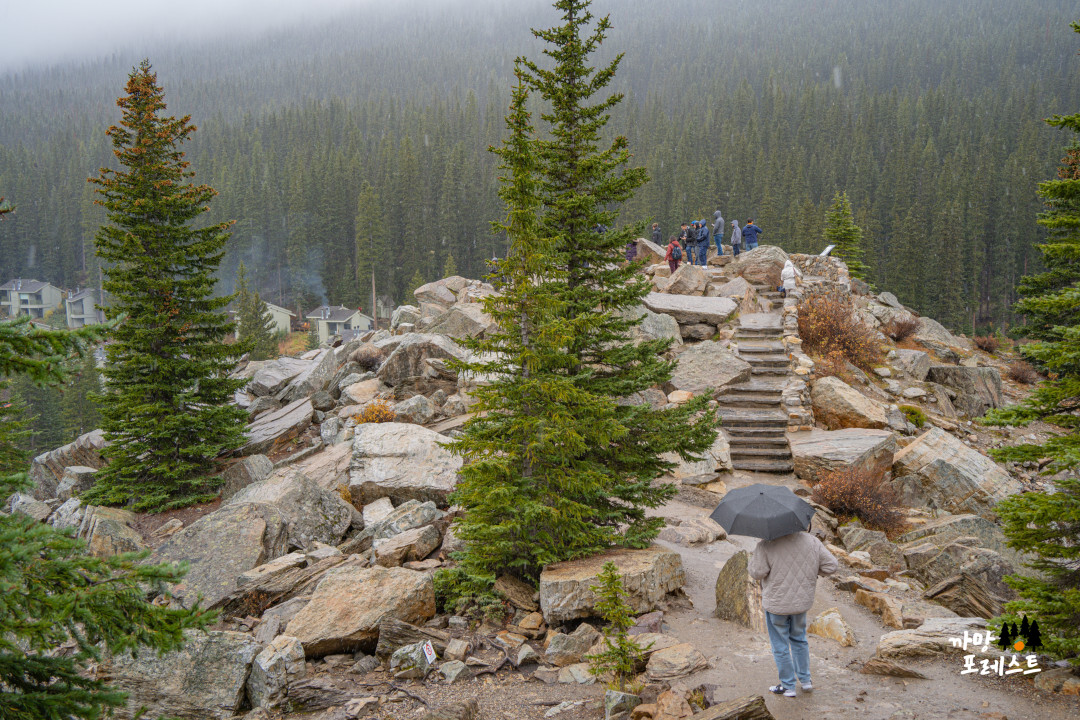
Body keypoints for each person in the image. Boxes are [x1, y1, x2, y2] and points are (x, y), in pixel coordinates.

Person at [748, 529, 838, 698]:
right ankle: (806, 681)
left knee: (780, 645)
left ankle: (788, 686)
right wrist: (812, 571)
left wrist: (754, 557)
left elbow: (757, 573)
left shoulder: (766, 544)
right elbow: (831, 566)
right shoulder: (812, 541)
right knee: (799, 640)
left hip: (777, 604)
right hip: (800, 604)